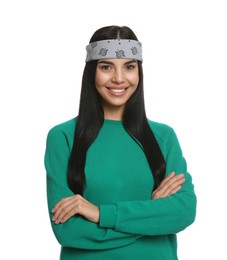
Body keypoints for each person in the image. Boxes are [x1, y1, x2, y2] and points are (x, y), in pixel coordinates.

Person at [44, 25, 197, 260]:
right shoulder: (63, 137)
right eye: (106, 67)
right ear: (92, 72)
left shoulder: (164, 137)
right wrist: (150, 218)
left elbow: (184, 211)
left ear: (139, 73)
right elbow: (68, 231)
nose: (118, 78)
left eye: (129, 67)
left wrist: (100, 213)